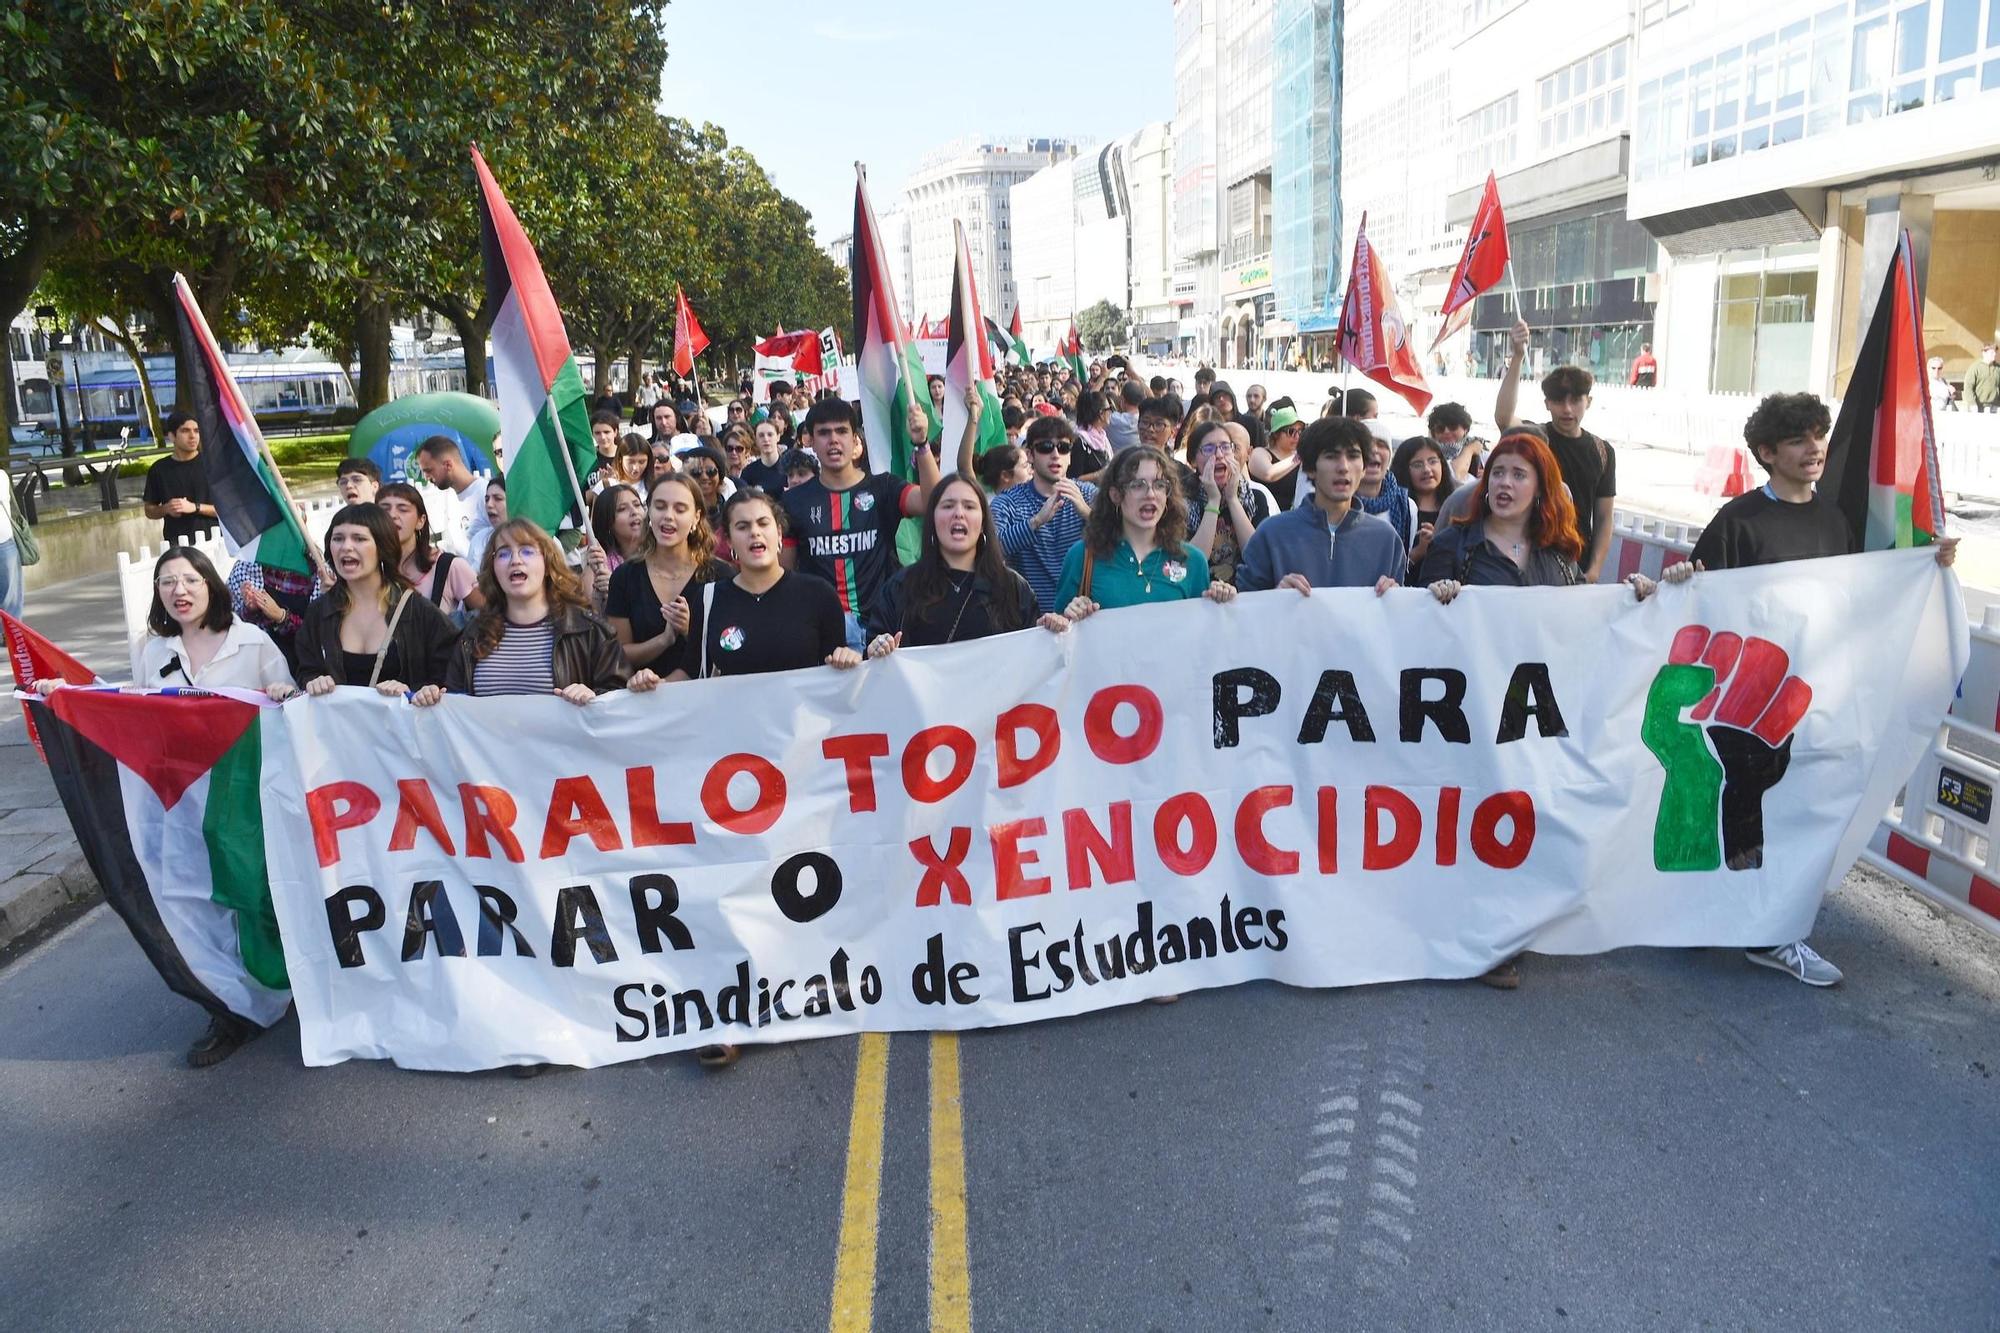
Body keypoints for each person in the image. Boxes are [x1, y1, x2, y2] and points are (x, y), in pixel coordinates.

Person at [1683, 391, 1958, 985]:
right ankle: (1743, 915)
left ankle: (1769, 923)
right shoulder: (1739, 520)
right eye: (1798, 440)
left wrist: (1929, 560)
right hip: (1745, 696)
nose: (1814, 449)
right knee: (1749, 790)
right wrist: (1681, 578)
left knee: (1795, 801)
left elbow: (1865, 593)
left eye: (1818, 436)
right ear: (1767, 452)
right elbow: (1699, 596)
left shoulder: (1834, 520)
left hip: (1810, 695)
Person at [666, 488, 859, 1067]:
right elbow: (691, 674)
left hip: (804, 770)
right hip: (732, 776)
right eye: (741, 526)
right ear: (727, 539)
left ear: (780, 535)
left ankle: (808, 989)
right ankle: (730, 1013)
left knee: (801, 886)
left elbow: (840, 681)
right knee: (735, 889)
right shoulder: (703, 601)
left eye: (763, 525)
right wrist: (653, 688)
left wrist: (848, 663)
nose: (754, 535)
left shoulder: (816, 596)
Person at [415, 518, 641, 709]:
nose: (515, 560)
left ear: (547, 563)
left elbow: (621, 702)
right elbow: (453, 706)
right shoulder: (472, 635)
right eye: (503, 554)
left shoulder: (589, 631)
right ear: (493, 569)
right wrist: (430, 697)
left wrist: (593, 697)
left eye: (527, 551)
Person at [780, 397, 940, 645]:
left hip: (884, 626)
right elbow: (784, 575)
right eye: (824, 433)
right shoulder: (793, 502)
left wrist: (921, 444)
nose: (833, 439)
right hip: (825, 631)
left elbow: (933, 503)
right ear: (809, 441)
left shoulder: (884, 487)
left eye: (842, 431)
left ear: (855, 439)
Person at [1053, 444, 1238, 617]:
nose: (1150, 494)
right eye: (1138, 485)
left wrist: (1222, 600)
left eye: (1159, 485)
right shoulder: (1083, 555)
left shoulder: (1193, 561)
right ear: (1115, 495)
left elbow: (1203, 634)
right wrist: (1070, 616)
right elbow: (1059, 638)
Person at [293, 503, 458, 696]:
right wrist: (313, 681)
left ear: (382, 547)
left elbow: (451, 677)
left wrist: (415, 692)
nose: (346, 547)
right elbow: (305, 669)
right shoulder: (319, 612)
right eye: (338, 538)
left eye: (359, 538)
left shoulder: (417, 611)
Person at [1495, 318, 1616, 580]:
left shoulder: (1603, 451)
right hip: (1534, 561)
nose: (1567, 409)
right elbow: (1504, 419)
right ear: (1547, 403)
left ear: (1589, 402)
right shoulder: (1534, 439)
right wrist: (1517, 357)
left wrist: (1594, 570)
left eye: (1575, 400)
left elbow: (1604, 517)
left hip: (1578, 566)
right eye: (1559, 401)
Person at [867, 475, 1038, 654]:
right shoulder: (901, 587)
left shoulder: (1013, 589)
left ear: (983, 523)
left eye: (969, 506)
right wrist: (878, 647)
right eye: (948, 506)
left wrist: (1055, 628)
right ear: (932, 519)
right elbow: (874, 661)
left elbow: (1034, 657)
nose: (958, 513)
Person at [1236, 417, 1405, 594]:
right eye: (1331, 456)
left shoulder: (1387, 540)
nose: (1343, 467)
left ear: (1363, 467)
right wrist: (1274, 597)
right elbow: (1244, 608)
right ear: (1309, 467)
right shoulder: (1271, 534)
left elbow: (1400, 615)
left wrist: (1395, 597)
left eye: (1353, 456)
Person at [606, 473, 734, 673]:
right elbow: (619, 654)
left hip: (704, 697)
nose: (668, 515)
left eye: (680, 509)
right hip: (643, 697)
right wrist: (664, 640)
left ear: (696, 517)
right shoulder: (625, 576)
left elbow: (731, 650)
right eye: (660, 506)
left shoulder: (720, 576)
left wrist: (689, 629)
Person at [992, 414, 1096, 613]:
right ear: (1030, 455)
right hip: (1030, 621)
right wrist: (1036, 522)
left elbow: (1121, 539)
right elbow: (991, 549)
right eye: (1045, 447)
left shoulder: (1089, 494)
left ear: (1070, 455)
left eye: (1063, 447)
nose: (1055, 454)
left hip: (1082, 617)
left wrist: (1086, 512)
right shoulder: (1008, 501)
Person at [377, 481, 482, 618]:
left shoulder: (448, 566)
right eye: (385, 510)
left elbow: (489, 615)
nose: (393, 515)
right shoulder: (369, 569)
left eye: (402, 509)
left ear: (421, 521)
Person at [1186, 420, 1271, 585]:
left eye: (1225, 447)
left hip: (1244, 593)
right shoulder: (1184, 502)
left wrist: (1232, 498)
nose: (1218, 455)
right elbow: (1193, 563)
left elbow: (1257, 556)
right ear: (1193, 460)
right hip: (1200, 594)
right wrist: (1213, 500)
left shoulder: (1255, 497)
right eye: (1209, 449)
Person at [142, 412, 217, 545]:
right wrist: (166, 509)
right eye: (185, 431)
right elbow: (149, 510)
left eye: (196, 431)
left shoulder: (213, 465)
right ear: (172, 436)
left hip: (214, 541)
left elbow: (229, 509)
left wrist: (195, 507)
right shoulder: (159, 469)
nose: (193, 436)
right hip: (176, 543)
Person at [1391, 435, 1458, 578]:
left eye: (1433, 461)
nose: (1427, 469)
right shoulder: (1397, 510)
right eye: (1417, 464)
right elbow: (1390, 571)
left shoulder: (1457, 506)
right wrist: (1419, 551)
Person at [414, 435, 491, 557]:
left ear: (448, 465)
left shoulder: (485, 494)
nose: (425, 478)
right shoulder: (449, 497)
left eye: (428, 470)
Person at [584, 483, 647, 612]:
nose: (634, 512)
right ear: (608, 522)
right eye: (622, 509)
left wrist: (617, 588)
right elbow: (592, 618)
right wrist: (601, 591)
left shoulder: (661, 553)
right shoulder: (601, 563)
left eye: (637, 505)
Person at [1352, 426, 1416, 551]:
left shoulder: (1407, 507)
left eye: (1382, 445)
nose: (1374, 450)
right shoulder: (1334, 501)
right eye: (1366, 444)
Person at [1249, 403, 1304, 511]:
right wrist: (1300, 456)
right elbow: (1269, 474)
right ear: (1276, 434)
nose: (1297, 436)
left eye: (1300, 431)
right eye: (1291, 431)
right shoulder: (1260, 453)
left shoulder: (1300, 459)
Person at [1426, 401, 1480, 479]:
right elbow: (1455, 475)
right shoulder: (1425, 454)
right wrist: (1469, 450)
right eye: (1440, 429)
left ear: (1465, 430)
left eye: (1453, 427)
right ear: (1433, 433)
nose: (1446, 431)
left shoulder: (1481, 453)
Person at [1072, 389, 1113, 479]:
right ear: (1101, 413)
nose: (1111, 412)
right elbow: (1073, 478)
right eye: (1109, 409)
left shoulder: (1102, 437)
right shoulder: (1079, 441)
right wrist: (1099, 475)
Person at [741, 419, 788, 494]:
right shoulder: (748, 473)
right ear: (756, 439)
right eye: (761, 435)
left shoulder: (790, 469)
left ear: (778, 437)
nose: (766, 439)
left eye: (770, 434)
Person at [1106, 380, 1144, 451]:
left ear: (1122, 399)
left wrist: (1103, 377)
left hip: (1116, 461)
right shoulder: (1146, 422)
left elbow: (1089, 406)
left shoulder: (1111, 419)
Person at [1970, 345, 2000, 414]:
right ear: (1984, 353)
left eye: (1995, 352)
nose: (1995, 354)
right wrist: (1972, 404)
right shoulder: (1975, 368)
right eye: (1992, 352)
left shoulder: (1998, 368)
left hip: (1996, 406)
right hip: (1979, 407)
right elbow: (1968, 387)